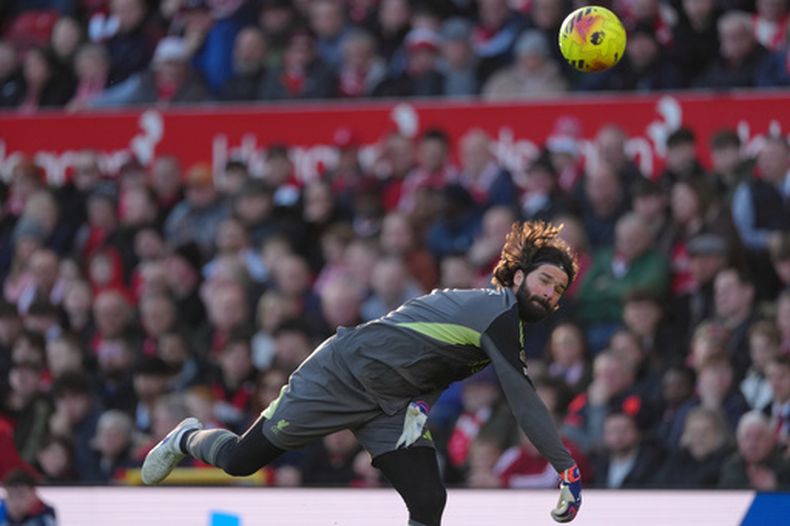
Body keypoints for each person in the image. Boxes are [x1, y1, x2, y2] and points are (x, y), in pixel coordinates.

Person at [142, 220, 584, 525]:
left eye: (559, 291)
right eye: (545, 280)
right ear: (519, 275)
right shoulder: (497, 313)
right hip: (340, 374)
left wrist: (422, 401)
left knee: (429, 499)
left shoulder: (502, 324)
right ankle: (185, 436)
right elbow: (523, 402)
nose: (549, 294)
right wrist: (566, 469)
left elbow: (429, 353)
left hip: (390, 406)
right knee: (241, 461)